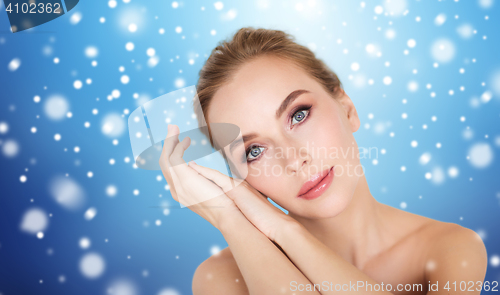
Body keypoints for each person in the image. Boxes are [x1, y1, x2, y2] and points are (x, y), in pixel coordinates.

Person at [159, 27, 488, 295]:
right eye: (253, 152)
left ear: (347, 107)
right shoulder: (221, 279)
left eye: (298, 115)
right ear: (240, 177)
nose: (294, 160)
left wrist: (285, 231)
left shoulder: (449, 248)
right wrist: (232, 220)